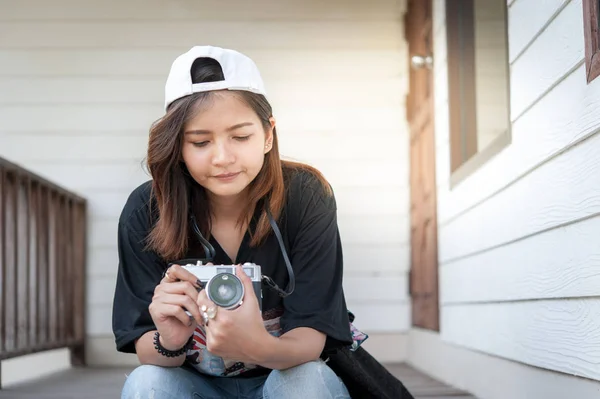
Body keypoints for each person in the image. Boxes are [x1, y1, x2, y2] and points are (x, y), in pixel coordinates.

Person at [112, 45, 354, 399]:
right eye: (200, 141)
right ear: (178, 146)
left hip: (284, 374)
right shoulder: (147, 209)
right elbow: (144, 348)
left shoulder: (305, 196)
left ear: (268, 134)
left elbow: (310, 341)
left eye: (241, 137)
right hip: (194, 383)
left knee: (307, 382)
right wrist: (171, 340)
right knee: (147, 383)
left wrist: (254, 345)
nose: (222, 158)